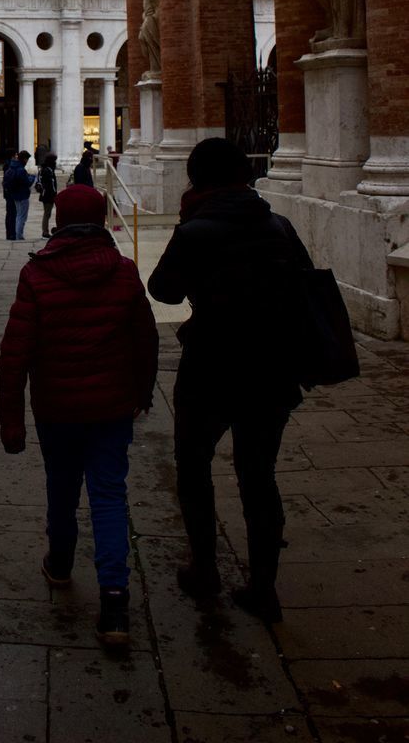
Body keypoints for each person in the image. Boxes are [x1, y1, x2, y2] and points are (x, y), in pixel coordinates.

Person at [147, 137, 313, 624]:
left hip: (212, 365)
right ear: (244, 175)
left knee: (194, 465)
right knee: (259, 475)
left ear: (196, 178)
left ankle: (205, 569)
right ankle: (263, 587)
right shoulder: (278, 225)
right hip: (271, 368)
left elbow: (163, 289)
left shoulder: (198, 229)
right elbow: (303, 283)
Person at [0, 184, 158, 645]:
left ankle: (62, 563)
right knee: (109, 495)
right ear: (103, 218)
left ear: (60, 221)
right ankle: (114, 603)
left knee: (62, 488)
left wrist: (12, 419)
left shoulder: (37, 274)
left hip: (57, 409)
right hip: (111, 408)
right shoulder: (124, 272)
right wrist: (142, 393)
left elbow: (14, 354)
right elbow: (146, 340)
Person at [3, 150, 35, 241]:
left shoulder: (12, 167)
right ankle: (19, 235)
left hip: (14, 194)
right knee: (22, 216)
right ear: (24, 159)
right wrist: (32, 177)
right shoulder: (20, 169)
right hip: (22, 195)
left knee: (17, 215)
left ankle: (14, 234)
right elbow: (27, 182)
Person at [38, 151, 58, 238]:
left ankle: (45, 230)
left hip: (45, 194)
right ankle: (45, 231)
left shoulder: (44, 169)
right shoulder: (48, 170)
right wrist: (54, 194)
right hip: (48, 195)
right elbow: (51, 184)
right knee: (47, 213)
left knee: (47, 213)